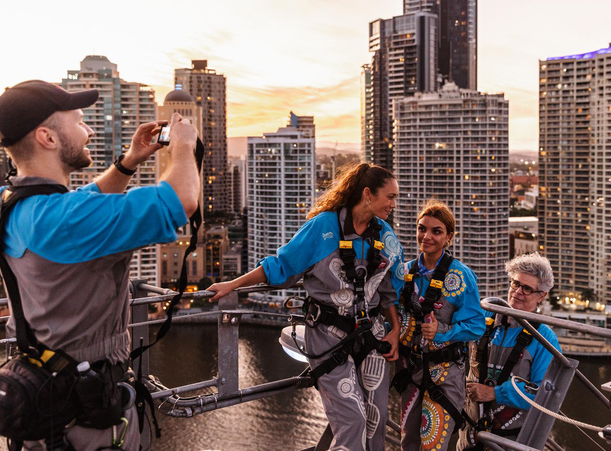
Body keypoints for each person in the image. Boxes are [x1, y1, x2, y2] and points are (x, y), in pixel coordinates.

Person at [0, 80, 200, 450]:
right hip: (86, 421)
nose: (89, 131)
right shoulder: (65, 220)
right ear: (47, 138)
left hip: (44, 397)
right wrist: (183, 146)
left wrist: (128, 162)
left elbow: (83, 203)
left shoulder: (10, 202)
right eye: (80, 122)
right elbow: (181, 201)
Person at [208, 162, 403, 451]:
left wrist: (395, 330)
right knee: (352, 421)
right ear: (367, 194)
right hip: (328, 336)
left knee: (376, 421)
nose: (393, 204)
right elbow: (283, 265)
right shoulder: (323, 227)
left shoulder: (385, 235)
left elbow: (389, 290)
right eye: (390, 196)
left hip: (371, 334)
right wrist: (234, 284)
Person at [393, 201, 484, 451]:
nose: (427, 236)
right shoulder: (405, 272)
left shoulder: (460, 276)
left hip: (444, 375)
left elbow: (476, 325)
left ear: (449, 237)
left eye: (436, 231)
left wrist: (441, 332)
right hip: (410, 371)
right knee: (408, 442)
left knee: (433, 445)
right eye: (422, 229)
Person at [458, 252, 561, 450]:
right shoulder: (485, 318)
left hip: (512, 441)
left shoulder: (545, 339)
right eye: (515, 283)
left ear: (542, 295)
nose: (518, 292)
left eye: (527, 288)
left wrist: (494, 393)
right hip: (470, 434)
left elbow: (544, 396)